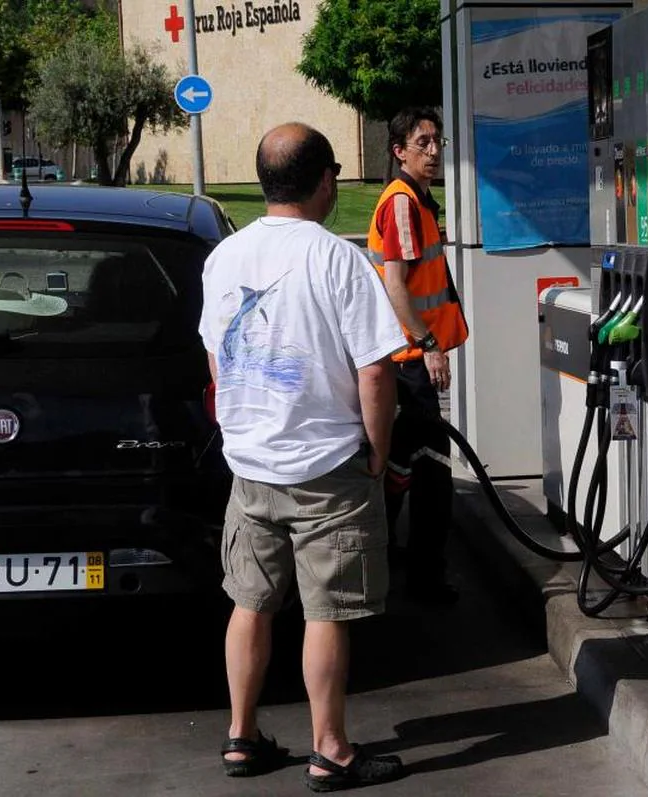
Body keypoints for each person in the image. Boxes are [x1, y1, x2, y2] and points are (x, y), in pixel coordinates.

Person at [199, 122, 409, 791]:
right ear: (325, 181)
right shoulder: (339, 258)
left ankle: (241, 735)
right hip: (326, 467)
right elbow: (376, 373)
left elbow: (217, 352)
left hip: (251, 466)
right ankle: (331, 749)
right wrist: (378, 453)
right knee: (326, 611)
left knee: (250, 602)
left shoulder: (224, 256)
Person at [366, 106, 469, 606]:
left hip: (409, 360)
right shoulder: (404, 203)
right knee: (430, 474)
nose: (433, 151)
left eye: (437, 142)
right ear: (399, 150)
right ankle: (423, 578)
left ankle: (386, 565)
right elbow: (396, 287)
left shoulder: (418, 200)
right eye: (422, 143)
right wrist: (428, 346)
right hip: (411, 363)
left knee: (403, 467)